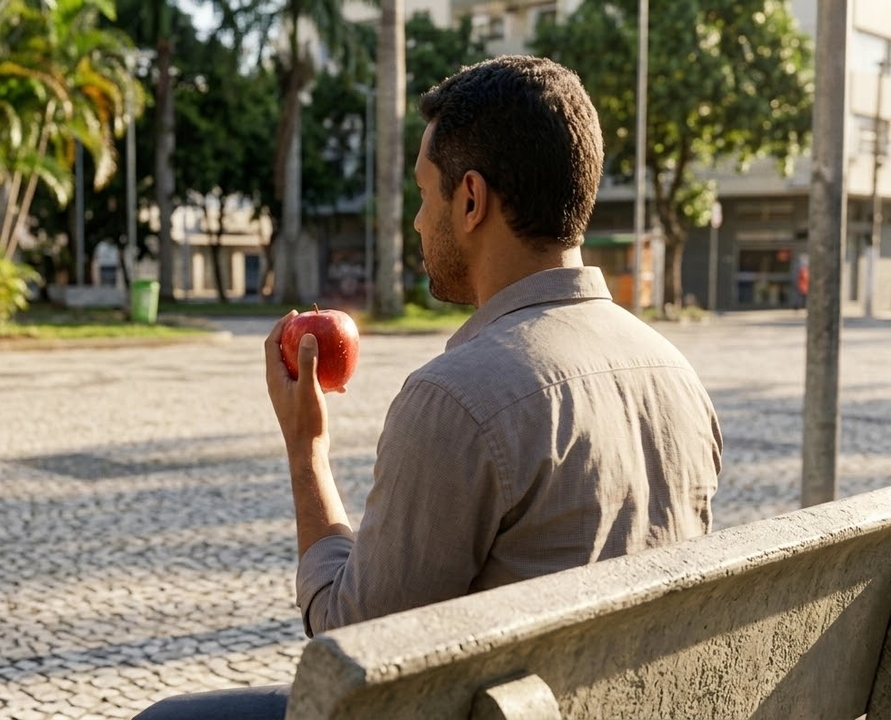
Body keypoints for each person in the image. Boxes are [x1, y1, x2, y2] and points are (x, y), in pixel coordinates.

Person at [136, 54, 722, 720]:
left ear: (470, 200)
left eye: (424, 194)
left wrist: (306, 452)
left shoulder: (457, 398)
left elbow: (353, 653)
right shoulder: (676, 374)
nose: (417, 221)